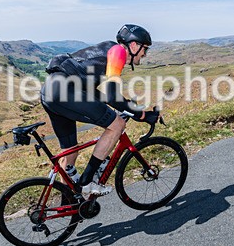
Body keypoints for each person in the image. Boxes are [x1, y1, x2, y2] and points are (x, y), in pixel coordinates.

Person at [40, 24, 158, 198]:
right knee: (117, 125)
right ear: (134, 45)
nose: (144, 54)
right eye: (144, 49)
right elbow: (112, 97)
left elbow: (97, 94)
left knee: (70, 151)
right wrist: (142, 115)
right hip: (65, 91)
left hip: (50, 91)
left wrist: (128, 106)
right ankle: (87, 182)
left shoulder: (106, 51)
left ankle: (70, 201)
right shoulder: (118, 52)